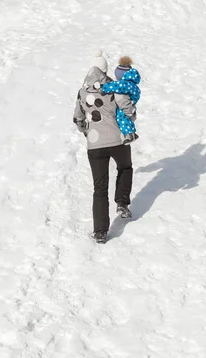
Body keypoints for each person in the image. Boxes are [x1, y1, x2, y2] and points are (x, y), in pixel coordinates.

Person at [72, 50, 137, 244]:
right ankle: (122, 202)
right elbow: (128, 109)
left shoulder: (82, 91)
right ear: (105, 69)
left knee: (99, 188)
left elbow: (78, 117)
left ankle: (100, 231)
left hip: (95, 145)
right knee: (125, 168)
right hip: (117, 140)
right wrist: (130, 116)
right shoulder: (114, 87)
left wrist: (87, 131)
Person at [100, 56, 141, 144]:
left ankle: (129, 135)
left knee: (122, 118)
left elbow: (116, 86)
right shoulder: (131, 84)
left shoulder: (126, 84)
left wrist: (104, 88)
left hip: (128, 104)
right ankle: (131, 133)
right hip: (130, 103)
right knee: (125, 118)